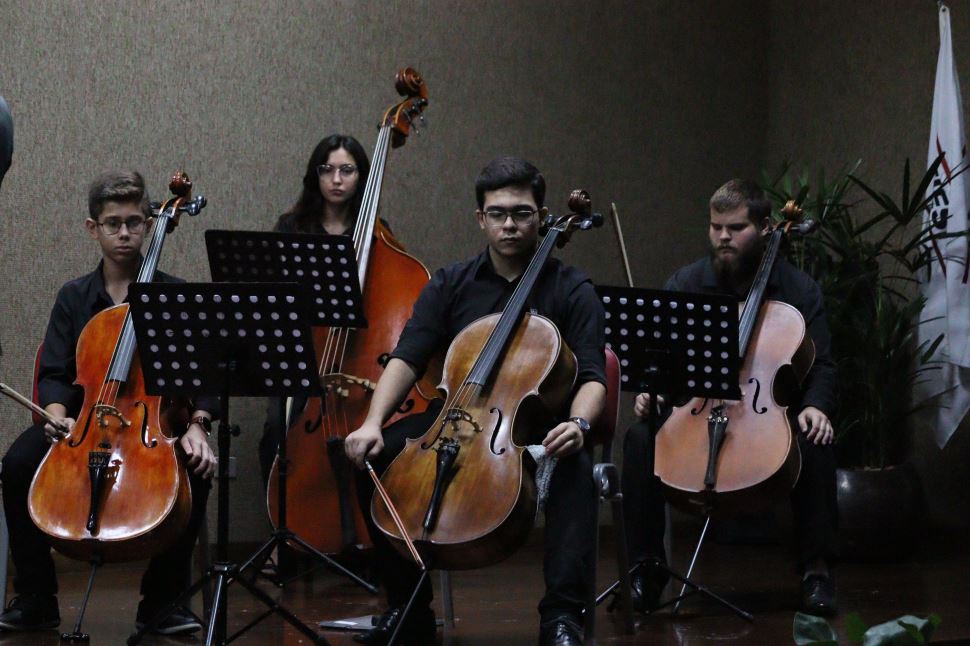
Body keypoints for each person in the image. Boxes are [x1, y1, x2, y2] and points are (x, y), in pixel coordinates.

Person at [344, 156, 606, 646]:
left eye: (522, 213)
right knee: (372, 456)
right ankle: (409, 608)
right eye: (498, 213)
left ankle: (562, 617)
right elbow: (407, 357)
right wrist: (372, 422)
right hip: (454, 419)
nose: (510, 224)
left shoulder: (572, 289)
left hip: (537, 433)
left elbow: (593, 376)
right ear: (480, 218)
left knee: (575, 470)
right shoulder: (451, 283)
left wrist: (579, 424)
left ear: (541, 216)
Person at [0, 171, 217, 634]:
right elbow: (55, 372)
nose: (124, 233)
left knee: (196, 467)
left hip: (152, 426)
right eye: (113, 223)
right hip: (82, 424)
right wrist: (56, 417)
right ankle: (37, 597)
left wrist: (199, 423)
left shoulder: (173, 295)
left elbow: (203, 374)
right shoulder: (73, 297)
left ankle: (162, 602)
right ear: (92, 228)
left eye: (134, 223)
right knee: (17, 464)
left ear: (148, 225)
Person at [620, 179, 838, 617]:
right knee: (640, 439)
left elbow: (824, 364)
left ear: (765, 227)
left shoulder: (798, 290)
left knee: (814, 442)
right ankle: (647, 569)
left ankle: (816, 571)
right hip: (697, 411)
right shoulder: (687, 283)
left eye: (736, 228)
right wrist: (652, 390)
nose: (723, 236)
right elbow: (661, 359)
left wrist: (816, 406)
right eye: (715, 227)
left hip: (766, 415)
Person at [258, 133, 371, 486]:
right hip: (299, 352)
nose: (336, 180)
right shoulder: (291, 228)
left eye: (347, 170)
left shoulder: (373, 234)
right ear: (315, 174)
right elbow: (270, 296)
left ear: (361, 177)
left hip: (352, 358)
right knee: (277, 432)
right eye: (327, 170)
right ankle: (281, 515)